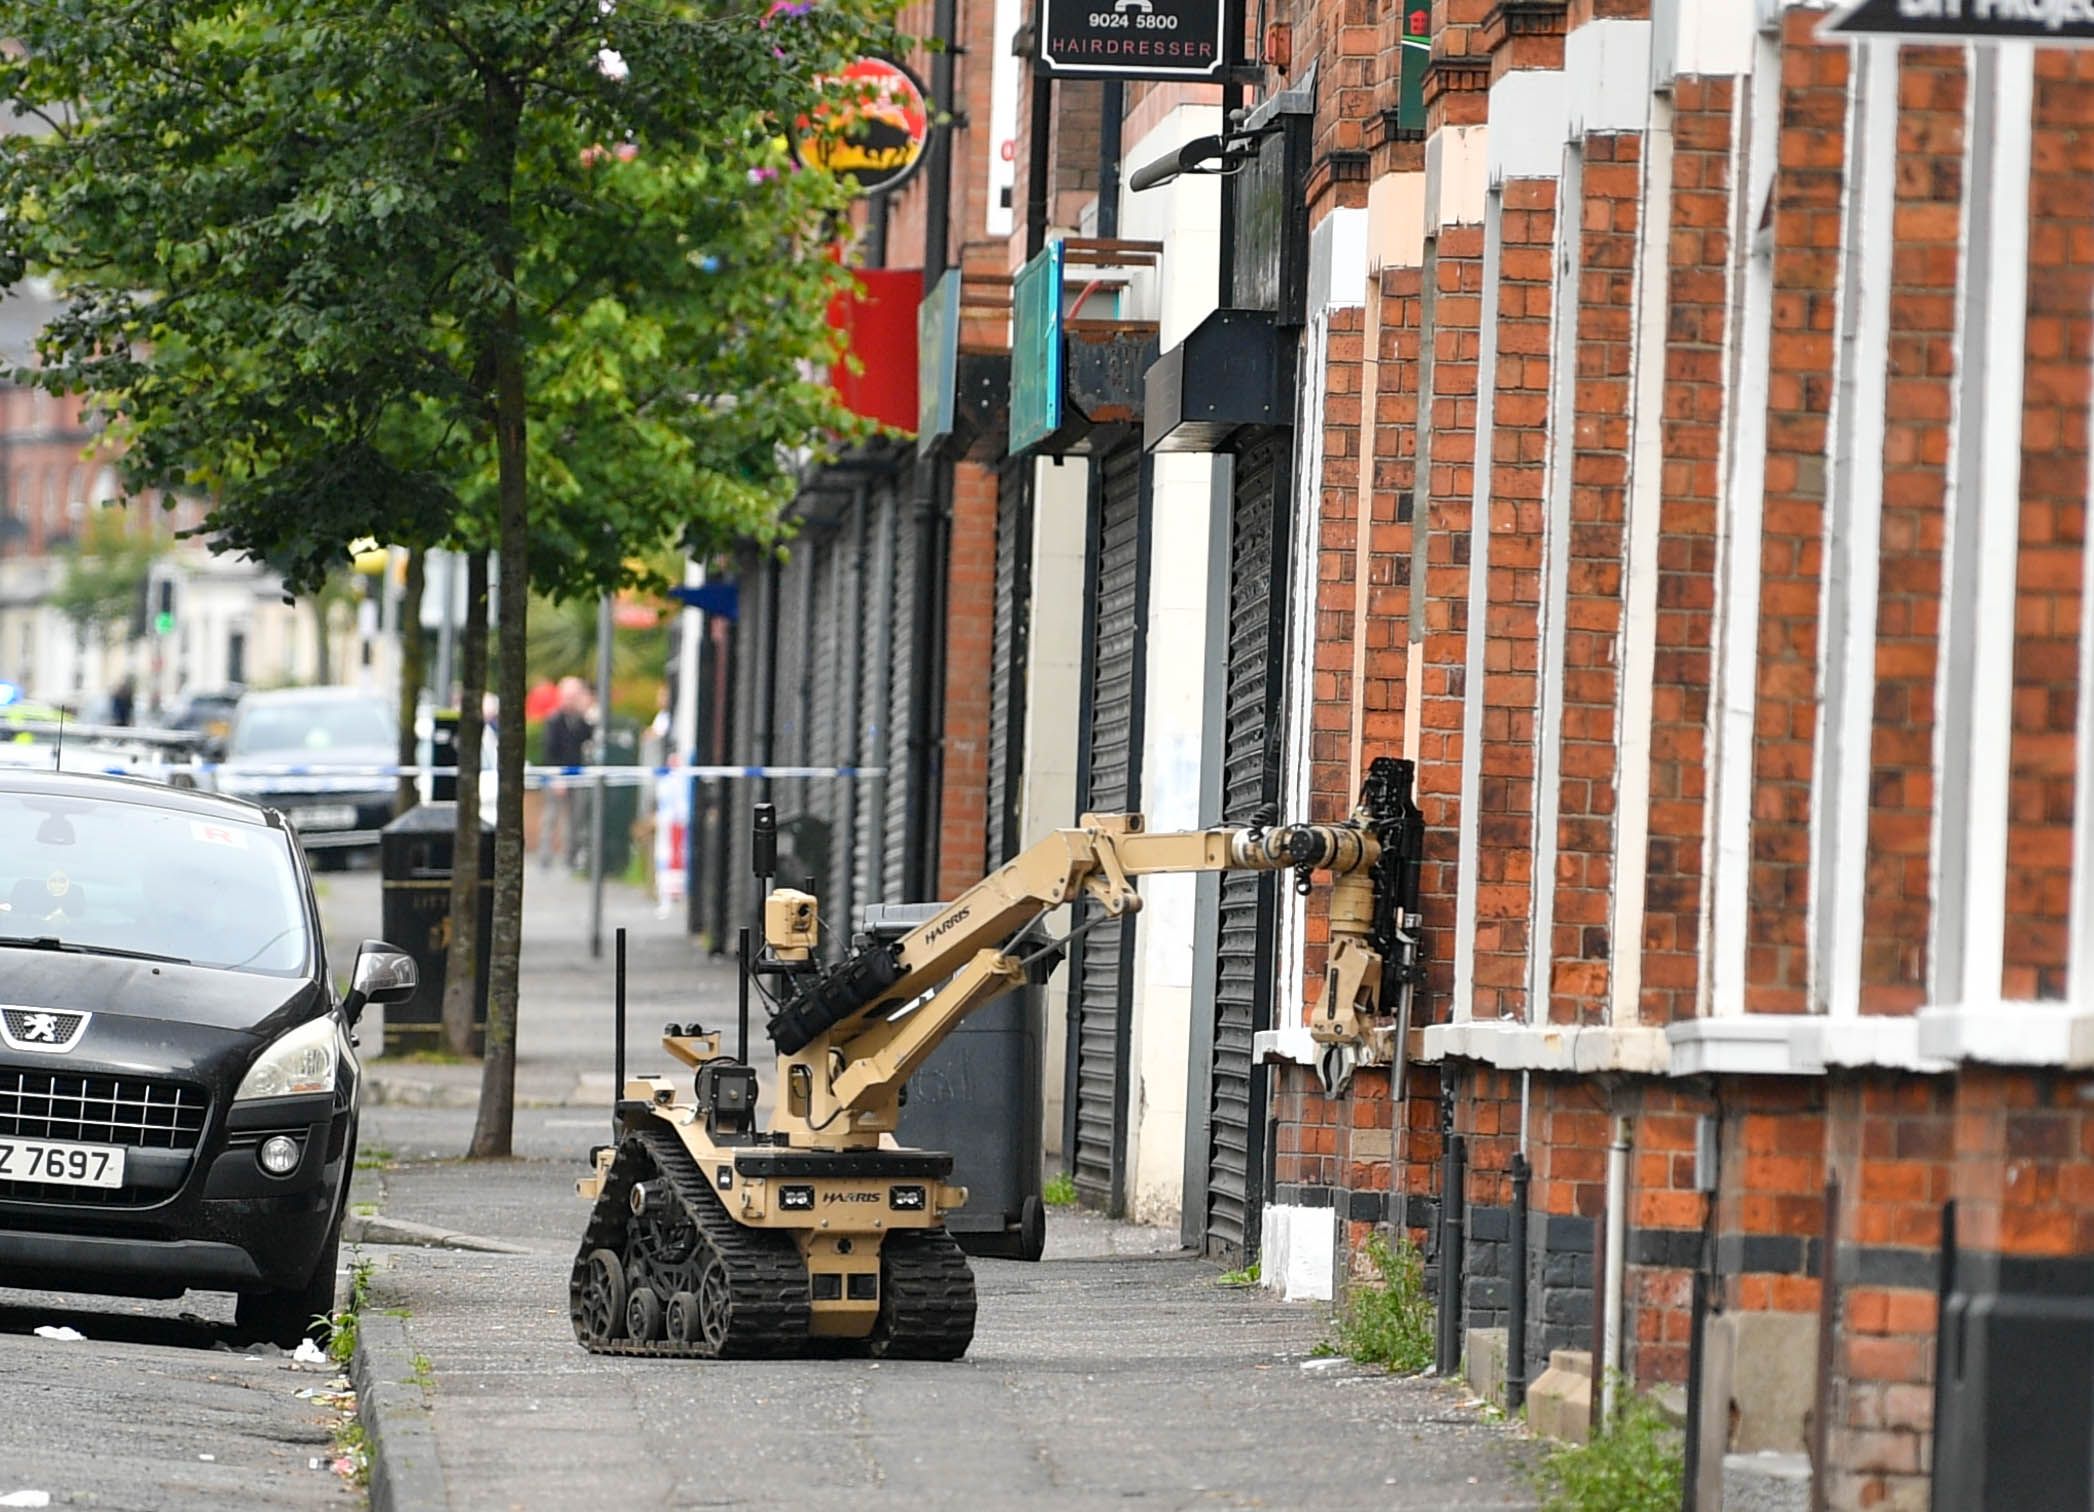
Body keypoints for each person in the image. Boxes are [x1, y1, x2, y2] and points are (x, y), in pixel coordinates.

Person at [538, 677, 594, 871]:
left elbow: (590, 739)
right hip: (557, 775)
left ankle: (570, 857)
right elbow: (549, 750)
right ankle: (545, 857)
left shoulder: (581, 721)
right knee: (551, 817)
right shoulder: (554, 720)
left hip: (576, 776)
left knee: (575, 818)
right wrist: (556, 777)